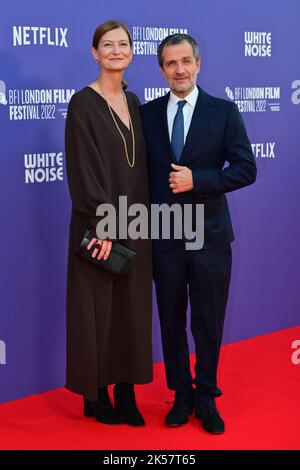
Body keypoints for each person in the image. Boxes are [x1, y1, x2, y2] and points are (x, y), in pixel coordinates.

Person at [140, 33, 256, 434]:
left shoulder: (223, 112)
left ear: (198, 64)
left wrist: (199, 179)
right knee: (170, 320)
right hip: (165, 236)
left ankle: (206, 394)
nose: (179, 70)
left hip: (209, 237)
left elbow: (246, 168)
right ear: (161, 70)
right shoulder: (148, 114)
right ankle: (181, 393)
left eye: (186, 61)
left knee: (207, 320)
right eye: (171, 64)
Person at [65, 20, 152, 427]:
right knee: (97, 309)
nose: (116, 50)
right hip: (99, 223)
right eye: (107, 44)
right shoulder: (83, 102)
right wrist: (107, 222)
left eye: (123, 44)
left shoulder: (135, 103)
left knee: (132, 309)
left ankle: (127, 391)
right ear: (94, 53)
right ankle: (97, 393)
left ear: (131, 53)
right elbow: (84, 170)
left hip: (138, 221)